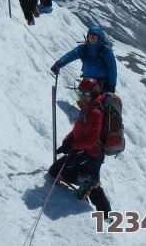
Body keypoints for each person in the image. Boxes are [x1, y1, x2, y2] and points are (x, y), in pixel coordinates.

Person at [49, 77, 112, 217]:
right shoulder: (88, 108)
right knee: (56, 171)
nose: (82, 98)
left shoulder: (95, 113)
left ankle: (87, 182)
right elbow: (80, 129)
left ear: (94, 94)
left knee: (57, 172)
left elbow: (92, 139)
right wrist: (67, 142)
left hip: (91, 155)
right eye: (80, 94)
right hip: (86, 153)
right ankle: (107, 216)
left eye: (86, 94)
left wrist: (73, 146)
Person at [50, 25, 117, 93]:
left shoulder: (105, 50)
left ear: (99, 38)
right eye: (90, 36)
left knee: (100, 102)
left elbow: (112, 68)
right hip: (87, 82)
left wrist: (112, 85)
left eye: (95, 36)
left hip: (102, 84)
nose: (92, 38)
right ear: (87, 37)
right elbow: (70, 56)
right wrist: (58, 64)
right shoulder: (83, 48)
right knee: (85, 101)